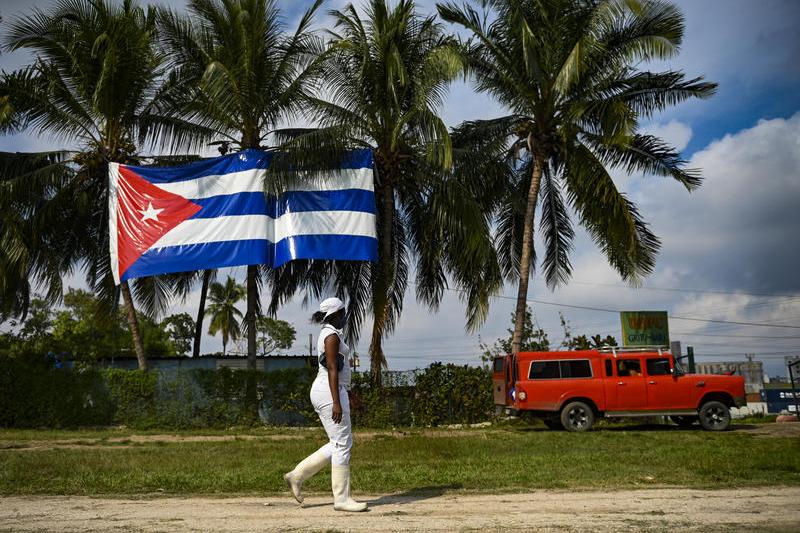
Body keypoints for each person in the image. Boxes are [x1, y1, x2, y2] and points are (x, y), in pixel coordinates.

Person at [283, 297, 367, 512]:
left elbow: (338, 370)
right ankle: (341, 499)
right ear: (336, 314)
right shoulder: (331, 335)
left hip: (332, 391)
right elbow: (331, 369)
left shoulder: (331, 333)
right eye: (343, 313)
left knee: (337, 442)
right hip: (329, 393)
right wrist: (337, 403)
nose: (345, 317)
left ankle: (297, 475)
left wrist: (349, 395)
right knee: (342, 445)